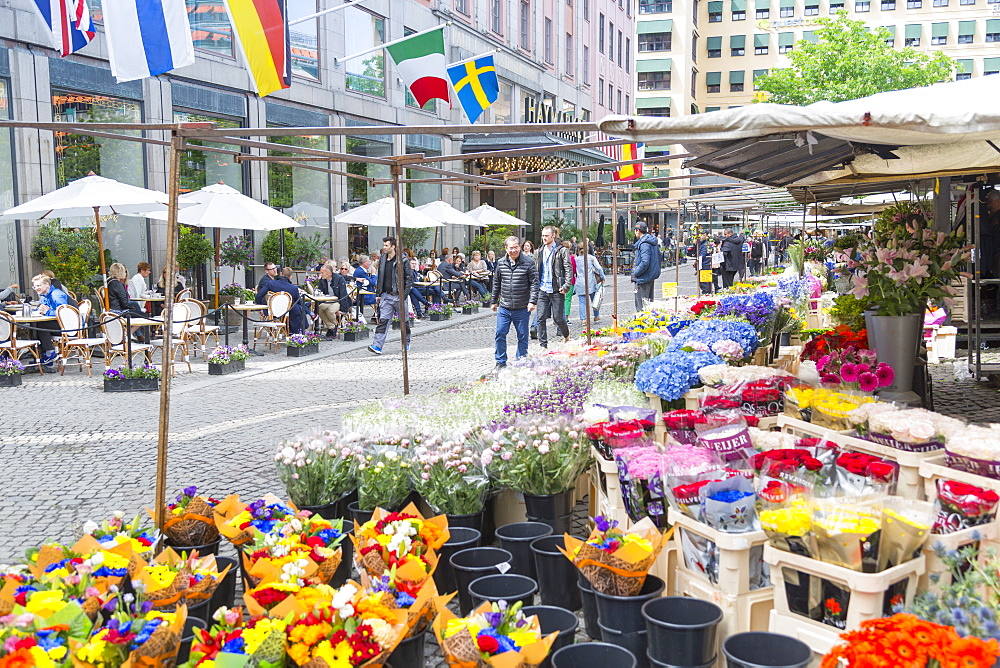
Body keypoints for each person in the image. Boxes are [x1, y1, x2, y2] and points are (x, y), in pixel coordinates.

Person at [491, 235, 538, 372]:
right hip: (504, 307)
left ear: (520, 247)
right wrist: (494, 301)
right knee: (500, 333)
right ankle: (500, 361)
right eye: (511, 248)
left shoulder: (528, 262)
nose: (514, 250)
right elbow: (496, 283)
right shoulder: (500, 263)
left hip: (522, 306)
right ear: (506, 249)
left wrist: (532, 301)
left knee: (522, 336)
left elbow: (534, 283)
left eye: (516, 247)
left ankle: (521, 360)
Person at [368, 236, 414, 355]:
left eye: (386, 245)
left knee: (404, 321)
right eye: (383, 245)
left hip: (399, 295)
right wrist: (379, 293)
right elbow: (380, 277)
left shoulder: (402, 260)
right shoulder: (383, 259)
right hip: (386, 296)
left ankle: (406, 342)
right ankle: (377, 345)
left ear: (393, 246)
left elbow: (409, 278)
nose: (384, 248)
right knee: (383, 321)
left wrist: (404, 295)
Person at [533, 225, 573, 348]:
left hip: (557, 289)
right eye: (543, 235)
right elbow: (535, 270)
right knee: (540, 318)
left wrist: (566, 285)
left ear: (553, 235)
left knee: (558, 319)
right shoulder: (539, 251)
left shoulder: (562, 250)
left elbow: (568, 268)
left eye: (546, 235)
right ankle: (543, 345)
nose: (544, 238)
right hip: (542, 289)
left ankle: (566, 334)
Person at [30, 274, 68, 372]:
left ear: (47, 285)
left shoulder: (56, 294)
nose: (36, 288)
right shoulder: (45, 296)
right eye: (35, 286)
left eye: (38, 285)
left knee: (39, 325)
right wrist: (41, 310)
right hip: (58, 323)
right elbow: (42, 308)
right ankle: (43, 357)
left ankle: (49, 353)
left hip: (68, 326)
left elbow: (64, 312)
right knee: (35, 325)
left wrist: (47, 311)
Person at [256, 267, 306, 334]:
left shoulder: (270, 284)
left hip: (272, 311)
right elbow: (298, 301)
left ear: (281, 274)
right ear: (290, 277)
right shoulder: (293, 288)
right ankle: (297, 332)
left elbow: (258, 296)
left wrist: (260, 308)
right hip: (288, 312)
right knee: (299, 308)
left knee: (298, 308)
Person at [314, 261, 351, 338]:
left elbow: (343, 295)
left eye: (322, 273)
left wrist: (343, 309)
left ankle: (333, 327)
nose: (321, 274)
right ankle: (332, 327)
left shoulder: (339, 279)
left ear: (329, 273)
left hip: (338, 300)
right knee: (319, 308)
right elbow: (320, 292)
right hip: (328, 300)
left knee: (330, 310)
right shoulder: (322, 280)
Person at [631, 221, 661, 311]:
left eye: (635, 230)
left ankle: (643, 324)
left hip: (643, 277)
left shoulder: (644, 243)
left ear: (638, 231)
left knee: (642, 307)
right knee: (648, 305)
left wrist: (635, 273)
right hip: (650, 276)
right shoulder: (651, 241)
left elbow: (645, 262)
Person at [575, 242, 605, 322]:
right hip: (590, 282)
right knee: (595, 300)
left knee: (582, 301)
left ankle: (583, 319)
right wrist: (602, 277)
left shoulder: (576, 259)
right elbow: (599, 268)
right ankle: (596, 315)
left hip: (580, 282)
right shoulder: (591, 258)